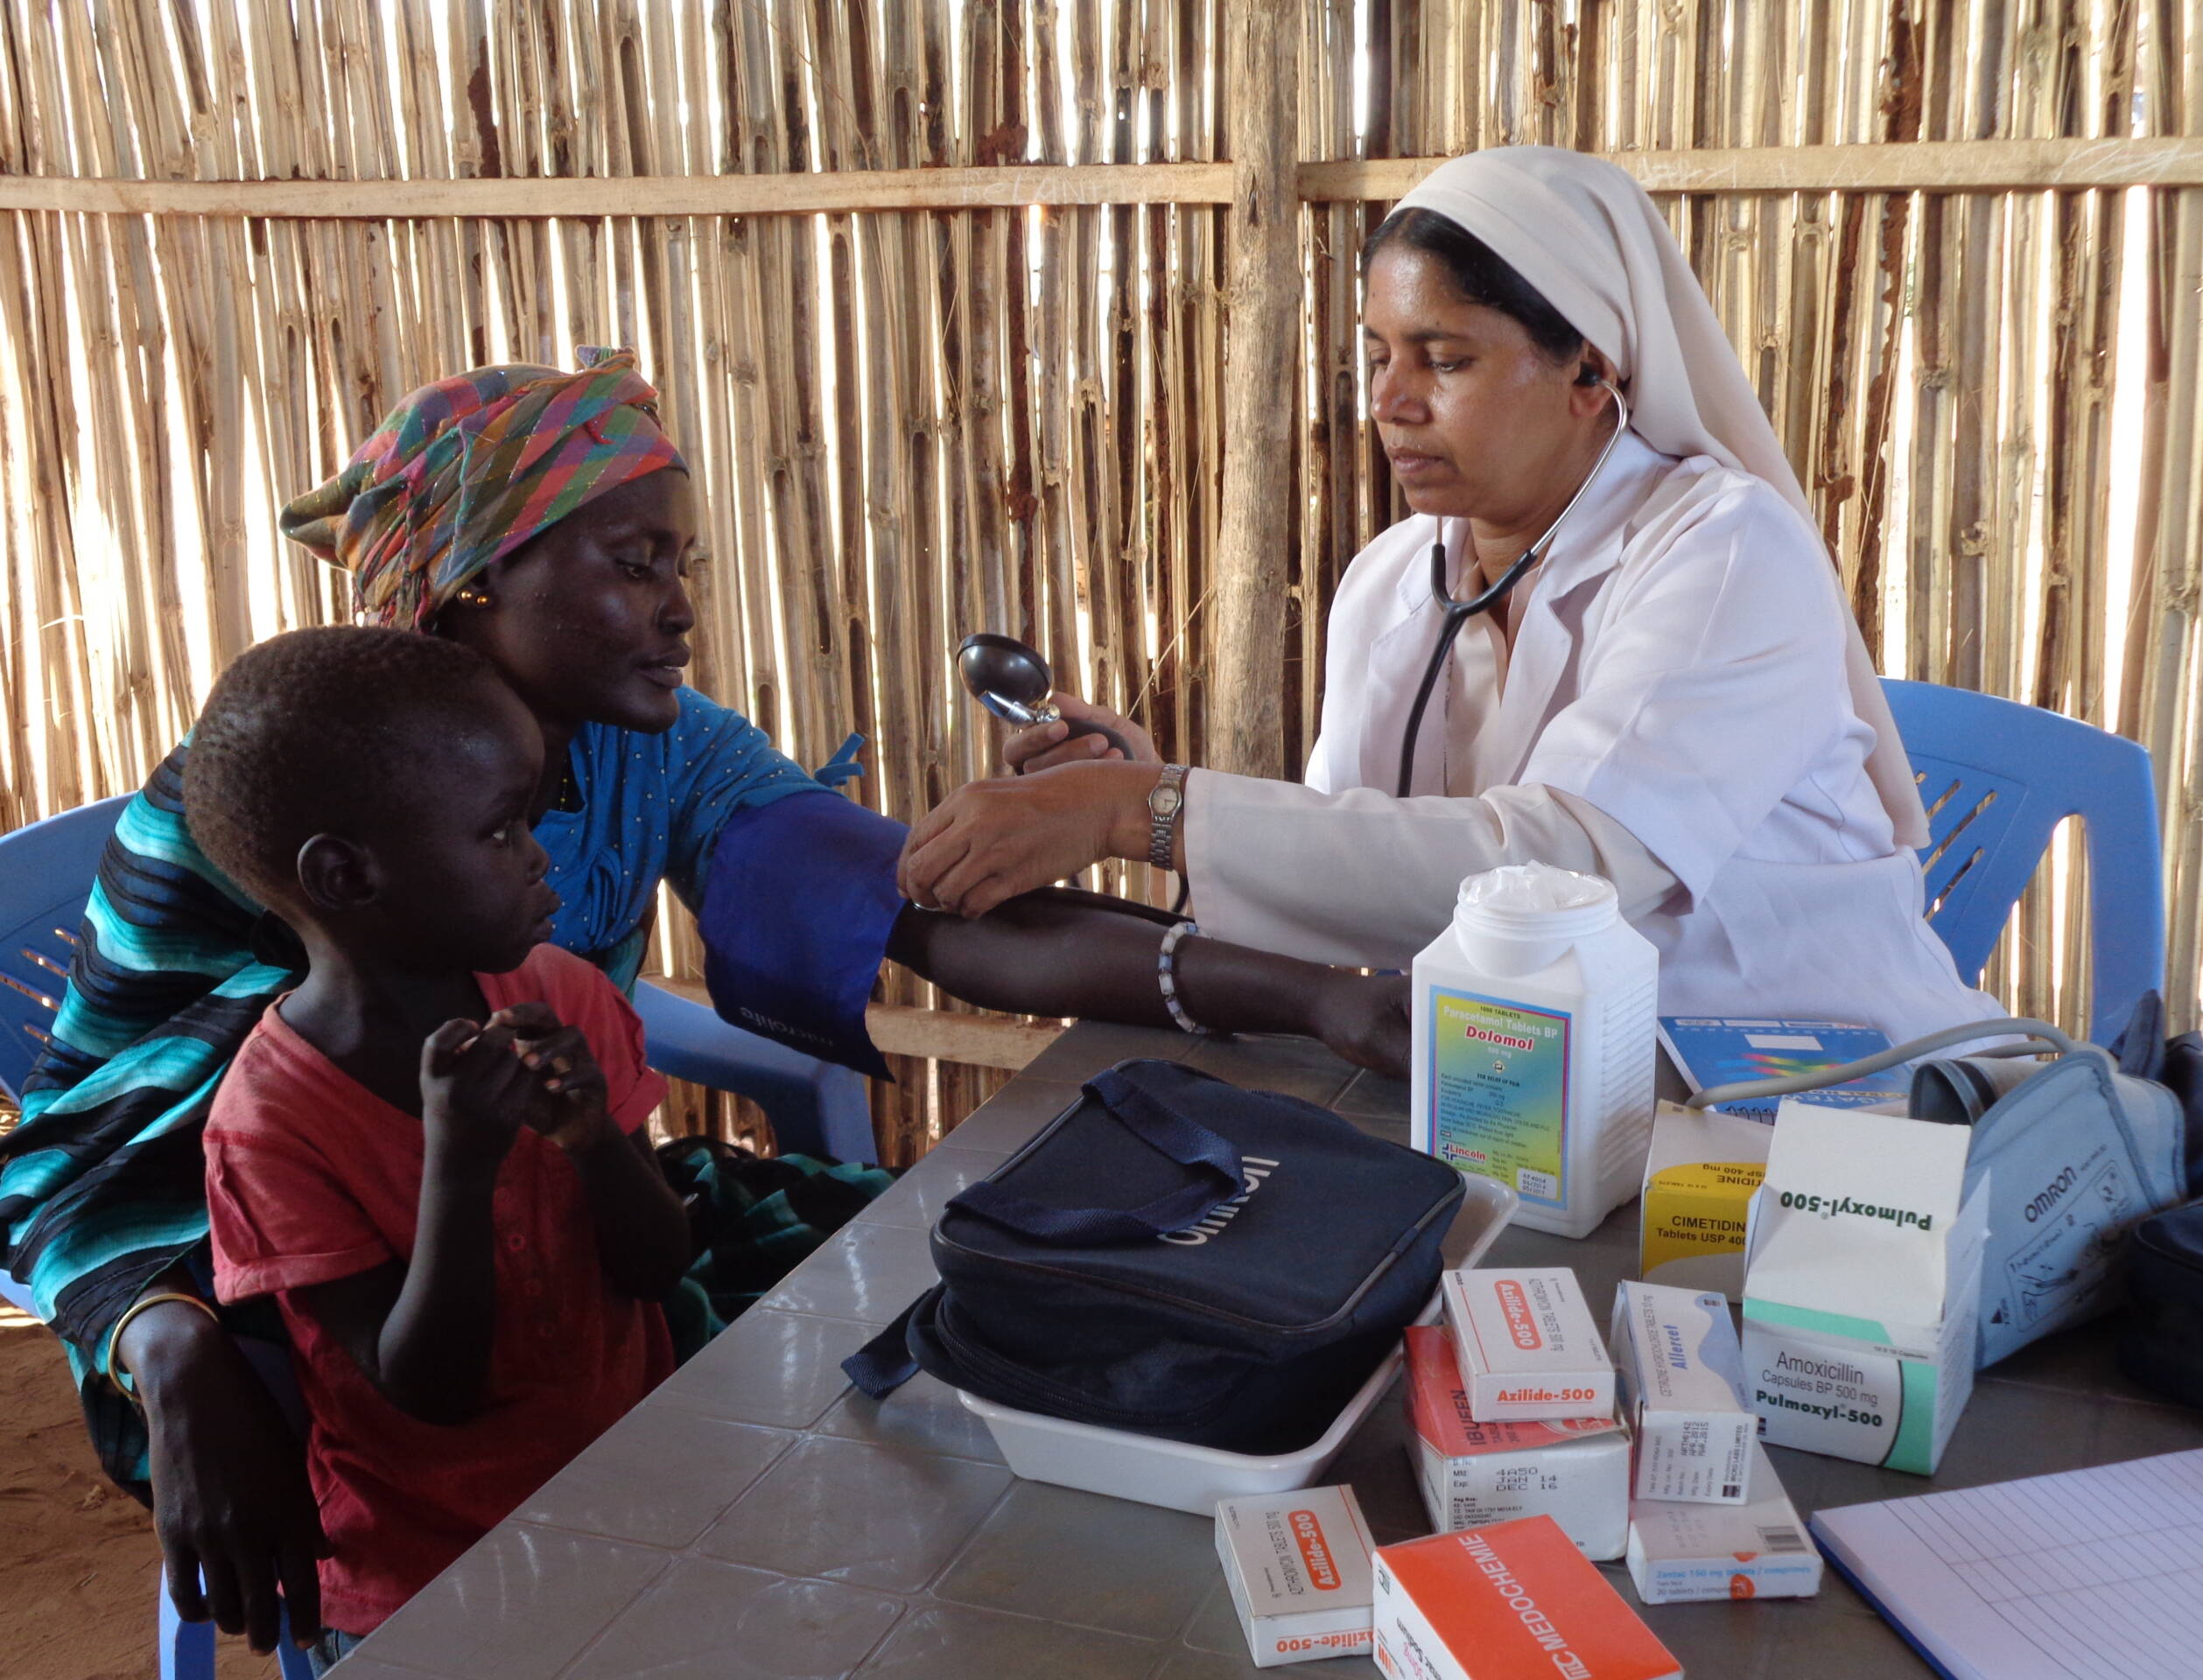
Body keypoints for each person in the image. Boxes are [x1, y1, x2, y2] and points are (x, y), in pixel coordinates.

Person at [0, 350, 1407, 1656]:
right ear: (482, 580)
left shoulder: (647, 747)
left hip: (553, 1212)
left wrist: (1317, 1001)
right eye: (633, 563)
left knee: (959, 1297)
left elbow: (941, 924)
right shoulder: (280, 792)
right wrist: (174, 1348)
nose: (681, 606)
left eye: (684, 562)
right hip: (259, 1302)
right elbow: (82, 1141)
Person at [897, 146, 1996, 1046]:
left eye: (1444, 360)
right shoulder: (1391, 584)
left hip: (1808, 1099)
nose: (1390, 402)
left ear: (1589, 370)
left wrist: (1149, 811)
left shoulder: (1724, 553)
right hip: (1527, 1091)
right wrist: (1145, 792)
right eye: (1376, 354)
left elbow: (1570, 870)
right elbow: (1359, 867)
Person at [189, 626, 693, 1670]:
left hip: (641, 1508)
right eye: (501, 829)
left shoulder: (562, 999)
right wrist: (457, 1173)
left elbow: (658, 1266)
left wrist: (593, 1137)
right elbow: (430, 1389)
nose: (540, 852)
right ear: (346, 875)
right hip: (430, 1581)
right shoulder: (271, 1125)